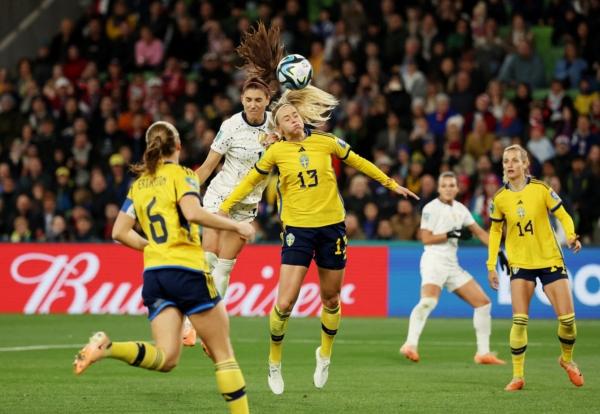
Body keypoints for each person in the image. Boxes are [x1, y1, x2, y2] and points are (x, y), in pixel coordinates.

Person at [219, 84, 419, 394]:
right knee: (285, 303)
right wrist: (223, 207)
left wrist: (392, 185)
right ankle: (274, 362)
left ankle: (324, 354)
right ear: (279, 128)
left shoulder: (326, 142)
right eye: (286, 118)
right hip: (298, 231)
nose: (294, 119)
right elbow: (249, 181)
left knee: (331, 299)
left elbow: (360, 162)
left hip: (332, 229)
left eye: (295, 114)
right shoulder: (276, 151)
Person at [72, 121, 253, 413]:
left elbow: (119, 231)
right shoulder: (182, 176)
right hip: (188, 270)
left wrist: (152, 247)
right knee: (223, 355)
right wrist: (236, 225)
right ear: (178, 146)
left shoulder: (139, 185)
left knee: (166, 358)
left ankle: (108, 347)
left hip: (156, 276)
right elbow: (193, 212)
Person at [181, 22, 284, 347]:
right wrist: (184, 190)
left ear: (268, 100)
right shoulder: (230, 127)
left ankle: (203, 325)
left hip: (246, 206)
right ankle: (188, 322)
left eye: (259, 99)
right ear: (241, 99)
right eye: (248, 99)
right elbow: (209, 166)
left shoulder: (277, 126)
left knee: (225, 269)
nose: (253, 104)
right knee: (208, 259)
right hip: (219, 197)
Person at [487, 144, 583, 391]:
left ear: (525, 164)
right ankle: (518, 376)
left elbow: (563, 214)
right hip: (520, 263)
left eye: (514, 161)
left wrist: (571, 235)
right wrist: (490, 265)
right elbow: (496, 230)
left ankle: (567, 359)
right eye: (506, 161)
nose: (509, 165)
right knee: (519, 320)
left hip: (550, 259)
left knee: (568, 321)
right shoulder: (499, 198)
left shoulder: (541, 189)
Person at [400, 172, 505, 365]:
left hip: (451, 264)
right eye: (444, 185)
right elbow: (426, 238)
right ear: (439, 188)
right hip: (434, 260)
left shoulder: (461, 209)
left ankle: (483, 353)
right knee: (428, 302)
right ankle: (410, 344)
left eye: (452, 185)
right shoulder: (431, 208)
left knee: (483, 303)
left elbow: (481, 233)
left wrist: (500, 251)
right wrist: (451, 233)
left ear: (457, 188)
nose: (448, 188)